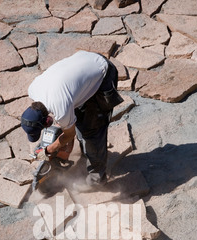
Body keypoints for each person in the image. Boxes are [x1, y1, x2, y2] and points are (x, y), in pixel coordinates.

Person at [21, 50, 123, 191]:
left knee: (92, 131)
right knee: (79, 120)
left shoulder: (60, 107)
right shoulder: (33, 89)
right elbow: (66, 121)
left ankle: (96, 181)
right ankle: (86, 155)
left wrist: (49, 150)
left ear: (48, 122)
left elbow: (70, 134)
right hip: (85, 59)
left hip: (102, 73)